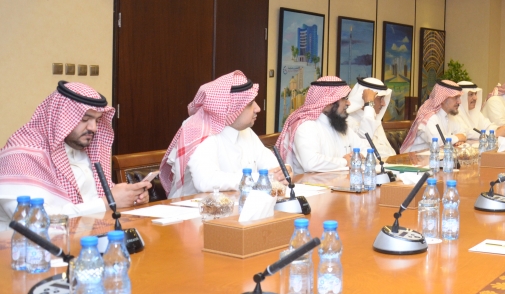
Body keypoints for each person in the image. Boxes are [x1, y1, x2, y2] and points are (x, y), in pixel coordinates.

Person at [0, 82, 151, 222]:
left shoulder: (83, 150)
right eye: (85, 119)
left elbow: (97, 198)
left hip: (86, 236)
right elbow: (33, 221)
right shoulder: (20, 155)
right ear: (60, 117)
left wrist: (131, 197)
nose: (93, 128)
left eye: (97, 121)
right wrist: (107, 203)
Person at [161, 71, 280, 199]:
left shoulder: (245, 131)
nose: (258, 109)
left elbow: (272, 166)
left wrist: (283, 172)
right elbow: (206, 181)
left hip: (235, 205)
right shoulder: (200, 130)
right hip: (193, 209)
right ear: (231, 107)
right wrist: (256, 178)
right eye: (250, 104)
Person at [277, 76, 363, 174]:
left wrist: (359, 156)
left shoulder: (340, 125)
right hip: (309, 183)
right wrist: (345, 161)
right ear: (329, 102)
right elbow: (311, 163)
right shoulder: (307, 126)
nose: (348, 103)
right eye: (344, 99)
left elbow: (365, 149)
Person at [400, 80, 467, 153]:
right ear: (443, 99)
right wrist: (457, 138)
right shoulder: (429, 117)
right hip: (416, 157)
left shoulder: (450, 116)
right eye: (456, 97)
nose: (459, 102)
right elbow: (437, 142)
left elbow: (463, 133)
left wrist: (459, 140)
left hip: (436, 157)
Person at [346, 77, 396, 160]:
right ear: (363, 98)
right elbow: (365, 140)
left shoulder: (374, 118)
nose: (383, 103)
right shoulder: (348, 121)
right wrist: (369, 104)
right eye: (380, 98)